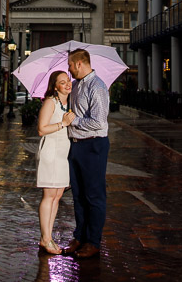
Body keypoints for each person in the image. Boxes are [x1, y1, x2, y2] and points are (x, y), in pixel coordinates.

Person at [62, 49, 109, 258]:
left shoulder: (97, 86)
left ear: (79, 64)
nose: (69, 70)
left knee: (94, 196)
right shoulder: (77, 85)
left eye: (70, 66)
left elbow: (99, 121)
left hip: (93, 146)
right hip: (76, 145)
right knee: (78, 195)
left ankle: (93, 241)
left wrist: (75, 121)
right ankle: (80, 236)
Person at [35, 70, 76, 254]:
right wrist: (63, 124)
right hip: (50, 154)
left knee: (58, 196)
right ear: (55, 86)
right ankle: (45, 238)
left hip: (62, 155)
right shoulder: (50, 102)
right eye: (62, 82)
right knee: (49, 196)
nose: (67, 84)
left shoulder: (67, 104)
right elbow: (41, 129)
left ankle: (48, 237)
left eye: (68, 80)